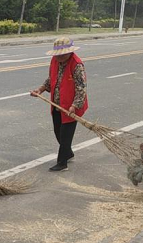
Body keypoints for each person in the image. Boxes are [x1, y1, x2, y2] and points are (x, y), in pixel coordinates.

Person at [30, 36, 88, 172]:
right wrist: (40, 89)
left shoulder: (76, 64)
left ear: (69, 52)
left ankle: (62, 163)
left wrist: (74, 106)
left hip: (71, 106)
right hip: (57, 104)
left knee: (65, 134)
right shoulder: (55, 61)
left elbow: (81, 88)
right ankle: (68, 153)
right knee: (58, 131)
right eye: (58, 55)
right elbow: (51, 79)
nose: (59, 58)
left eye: (62, 55)